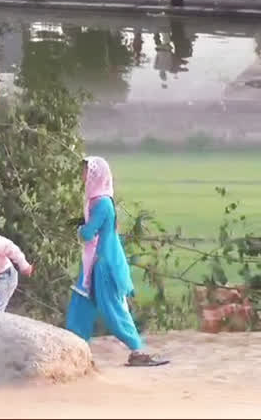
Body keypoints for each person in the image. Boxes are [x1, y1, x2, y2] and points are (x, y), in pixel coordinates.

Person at [65, 157, 169, 367]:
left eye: (86, 171)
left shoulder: (102, 203)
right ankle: (73, 347)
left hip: (103, 263)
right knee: (81, 303)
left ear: (96, 175)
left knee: (112, 308)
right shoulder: (96, 201)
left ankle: (137, 349)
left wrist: (79, 229)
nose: (83, 174)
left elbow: (88, 233)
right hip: (95, 261)